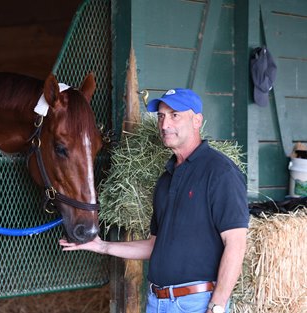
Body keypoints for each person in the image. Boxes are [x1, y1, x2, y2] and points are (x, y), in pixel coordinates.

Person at [59, 88, 249, 313]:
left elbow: (236, 244)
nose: (164, 124)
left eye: (174, 115)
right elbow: (154, 246)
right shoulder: (166, 179)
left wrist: (217, 306)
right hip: (157, 302)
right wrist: (102, 246)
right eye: (161, 116)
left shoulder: (219, 172)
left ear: (197, 120)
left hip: (196, 303)